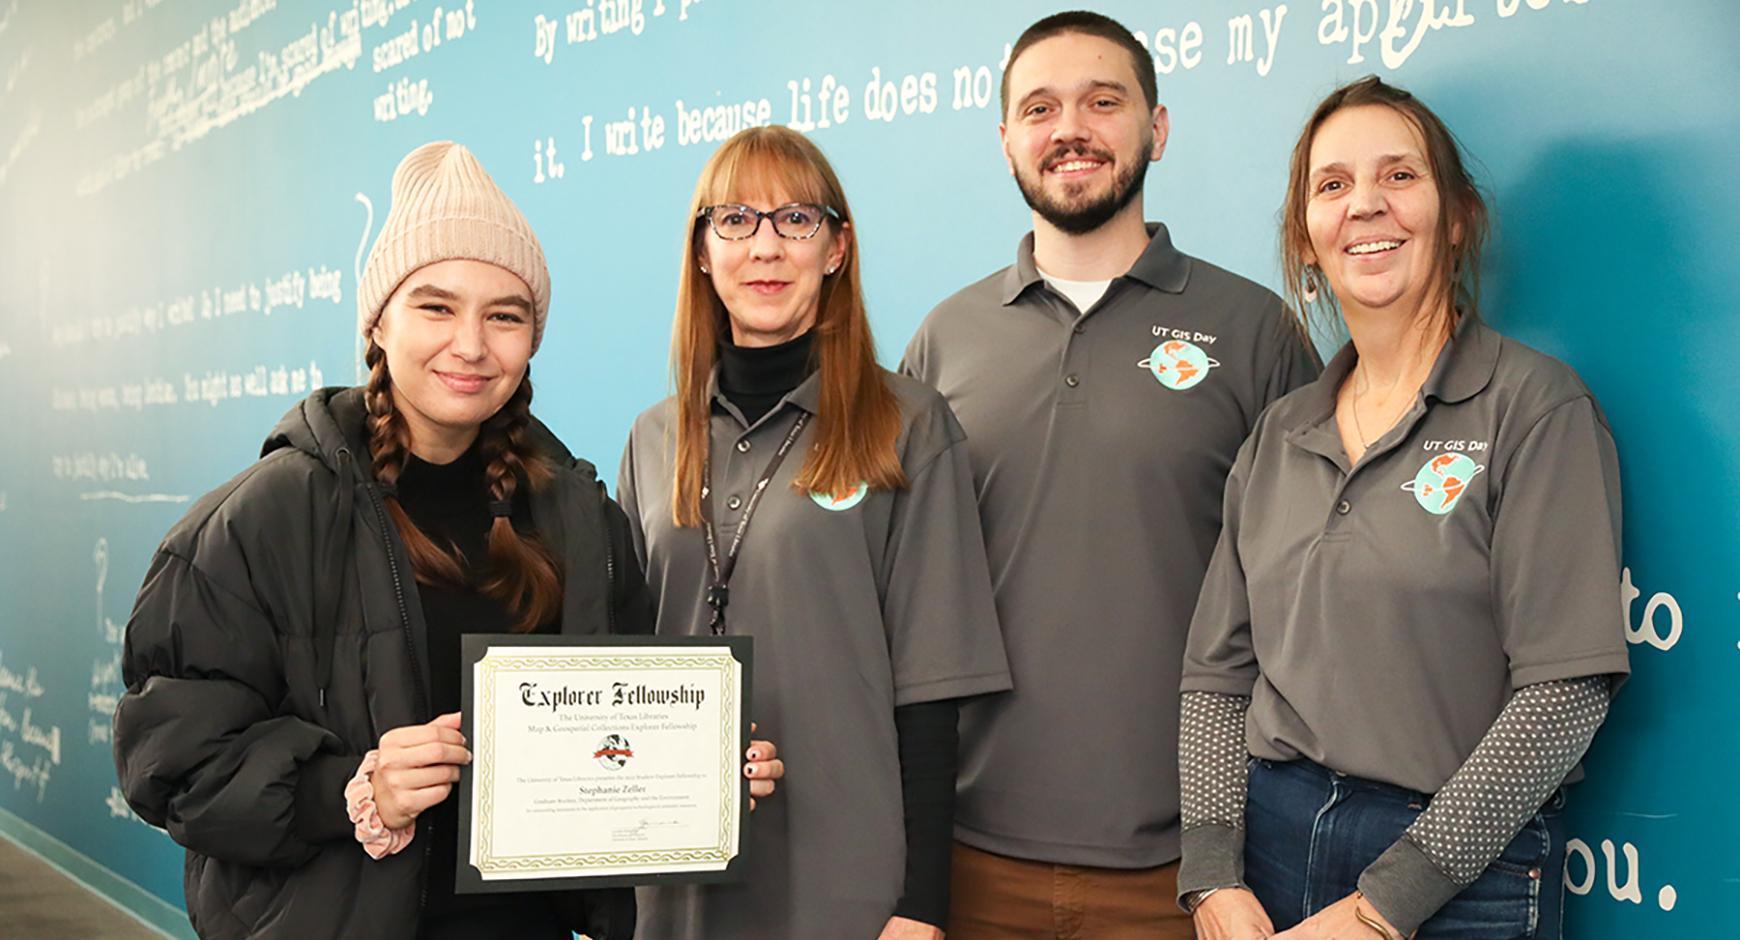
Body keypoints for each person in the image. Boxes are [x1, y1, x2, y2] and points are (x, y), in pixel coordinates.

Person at [112, 141, 781, 940]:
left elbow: (618, 730)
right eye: (436, 307)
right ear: (380, 324)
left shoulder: (580, 521)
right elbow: (171, 760)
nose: (470, 345)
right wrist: (352, 790)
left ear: (531, 339)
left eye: (504, 315)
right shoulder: (265, 518)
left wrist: (698, 771)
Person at [1176, 76, 1629, 940]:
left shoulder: (1534, 409)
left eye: (1400, 176)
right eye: (1333, 185)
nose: (1366, 206)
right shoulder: (1279, 433)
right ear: (1306, 239)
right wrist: (1210, 873)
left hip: (1462, 873)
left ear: (1457, 216)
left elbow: (1564, 693)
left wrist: (1387, 905)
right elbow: (1216, 678)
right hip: (1267, 854)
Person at [900, 12, 1319, 938]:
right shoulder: (943, 340)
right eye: (1039, 107)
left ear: (1156, 129)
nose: (1070, 129)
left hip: (1191, 873)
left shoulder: (1256, 335)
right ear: (1006, 139)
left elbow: (1311, 596)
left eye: (1103, 101)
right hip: (970, 860)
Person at [618, 125, 1012, 940]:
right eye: (735, 221)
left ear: (836, 248)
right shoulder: (652, 439)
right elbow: (618, 665)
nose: (765, 246)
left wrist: (921, 907)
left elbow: (932, 692)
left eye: (795, 220)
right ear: (701, 251)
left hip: (846, 880)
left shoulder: (906, 424)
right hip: (678, 875)